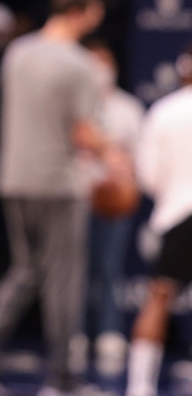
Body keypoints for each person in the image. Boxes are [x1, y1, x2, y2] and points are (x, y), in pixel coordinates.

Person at [0, 0, 108, 396]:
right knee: (63, 280)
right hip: (58, 182)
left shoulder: (18, 53)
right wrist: (119, 158)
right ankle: (62, 380)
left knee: (25, 272)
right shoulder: (80, 63)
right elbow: (83, 133)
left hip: (15, 178)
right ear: (81, 11)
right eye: (94, 14)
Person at [125, 44, 192, 396]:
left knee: (159, 297)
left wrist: (173, 193)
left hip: (177, 214)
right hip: (179, 210)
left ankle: (139, 387)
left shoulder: (163, 111)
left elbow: (147, 176)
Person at [76, 37, 144, 377]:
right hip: (76, 198)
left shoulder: (128, 108)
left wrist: (122, 179)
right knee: (74, 269)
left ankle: (108, 331)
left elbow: (139, 157)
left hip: (116, 200)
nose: (99, 70)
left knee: (110, 268)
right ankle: (74, 334)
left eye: (104, 62)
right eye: (92, 62)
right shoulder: (73, 107)